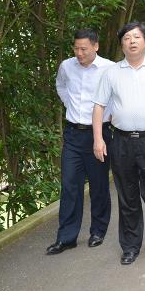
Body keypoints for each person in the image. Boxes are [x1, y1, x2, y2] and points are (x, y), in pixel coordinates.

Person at [92, 21, 145, 265]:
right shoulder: (111, 73)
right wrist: (98, 139)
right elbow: (99, 107)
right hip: (121, 142)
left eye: (136, 37)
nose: (131, 41)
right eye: (127, 38)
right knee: (127, 196)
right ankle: (130, 246)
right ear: (122, 44)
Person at [47, 29, 114, 255]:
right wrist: (71, 106)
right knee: (69, 186)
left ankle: (98, 230)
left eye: (84, 49)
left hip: (99, 134)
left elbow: (117, 95)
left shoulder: (109, 69)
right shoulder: (67, 66)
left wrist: (111, 115)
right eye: (76, 48)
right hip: (73, 134)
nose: (79, 53)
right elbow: (60, 86)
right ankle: (66, 238)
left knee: (99, 185)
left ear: (96, 46)